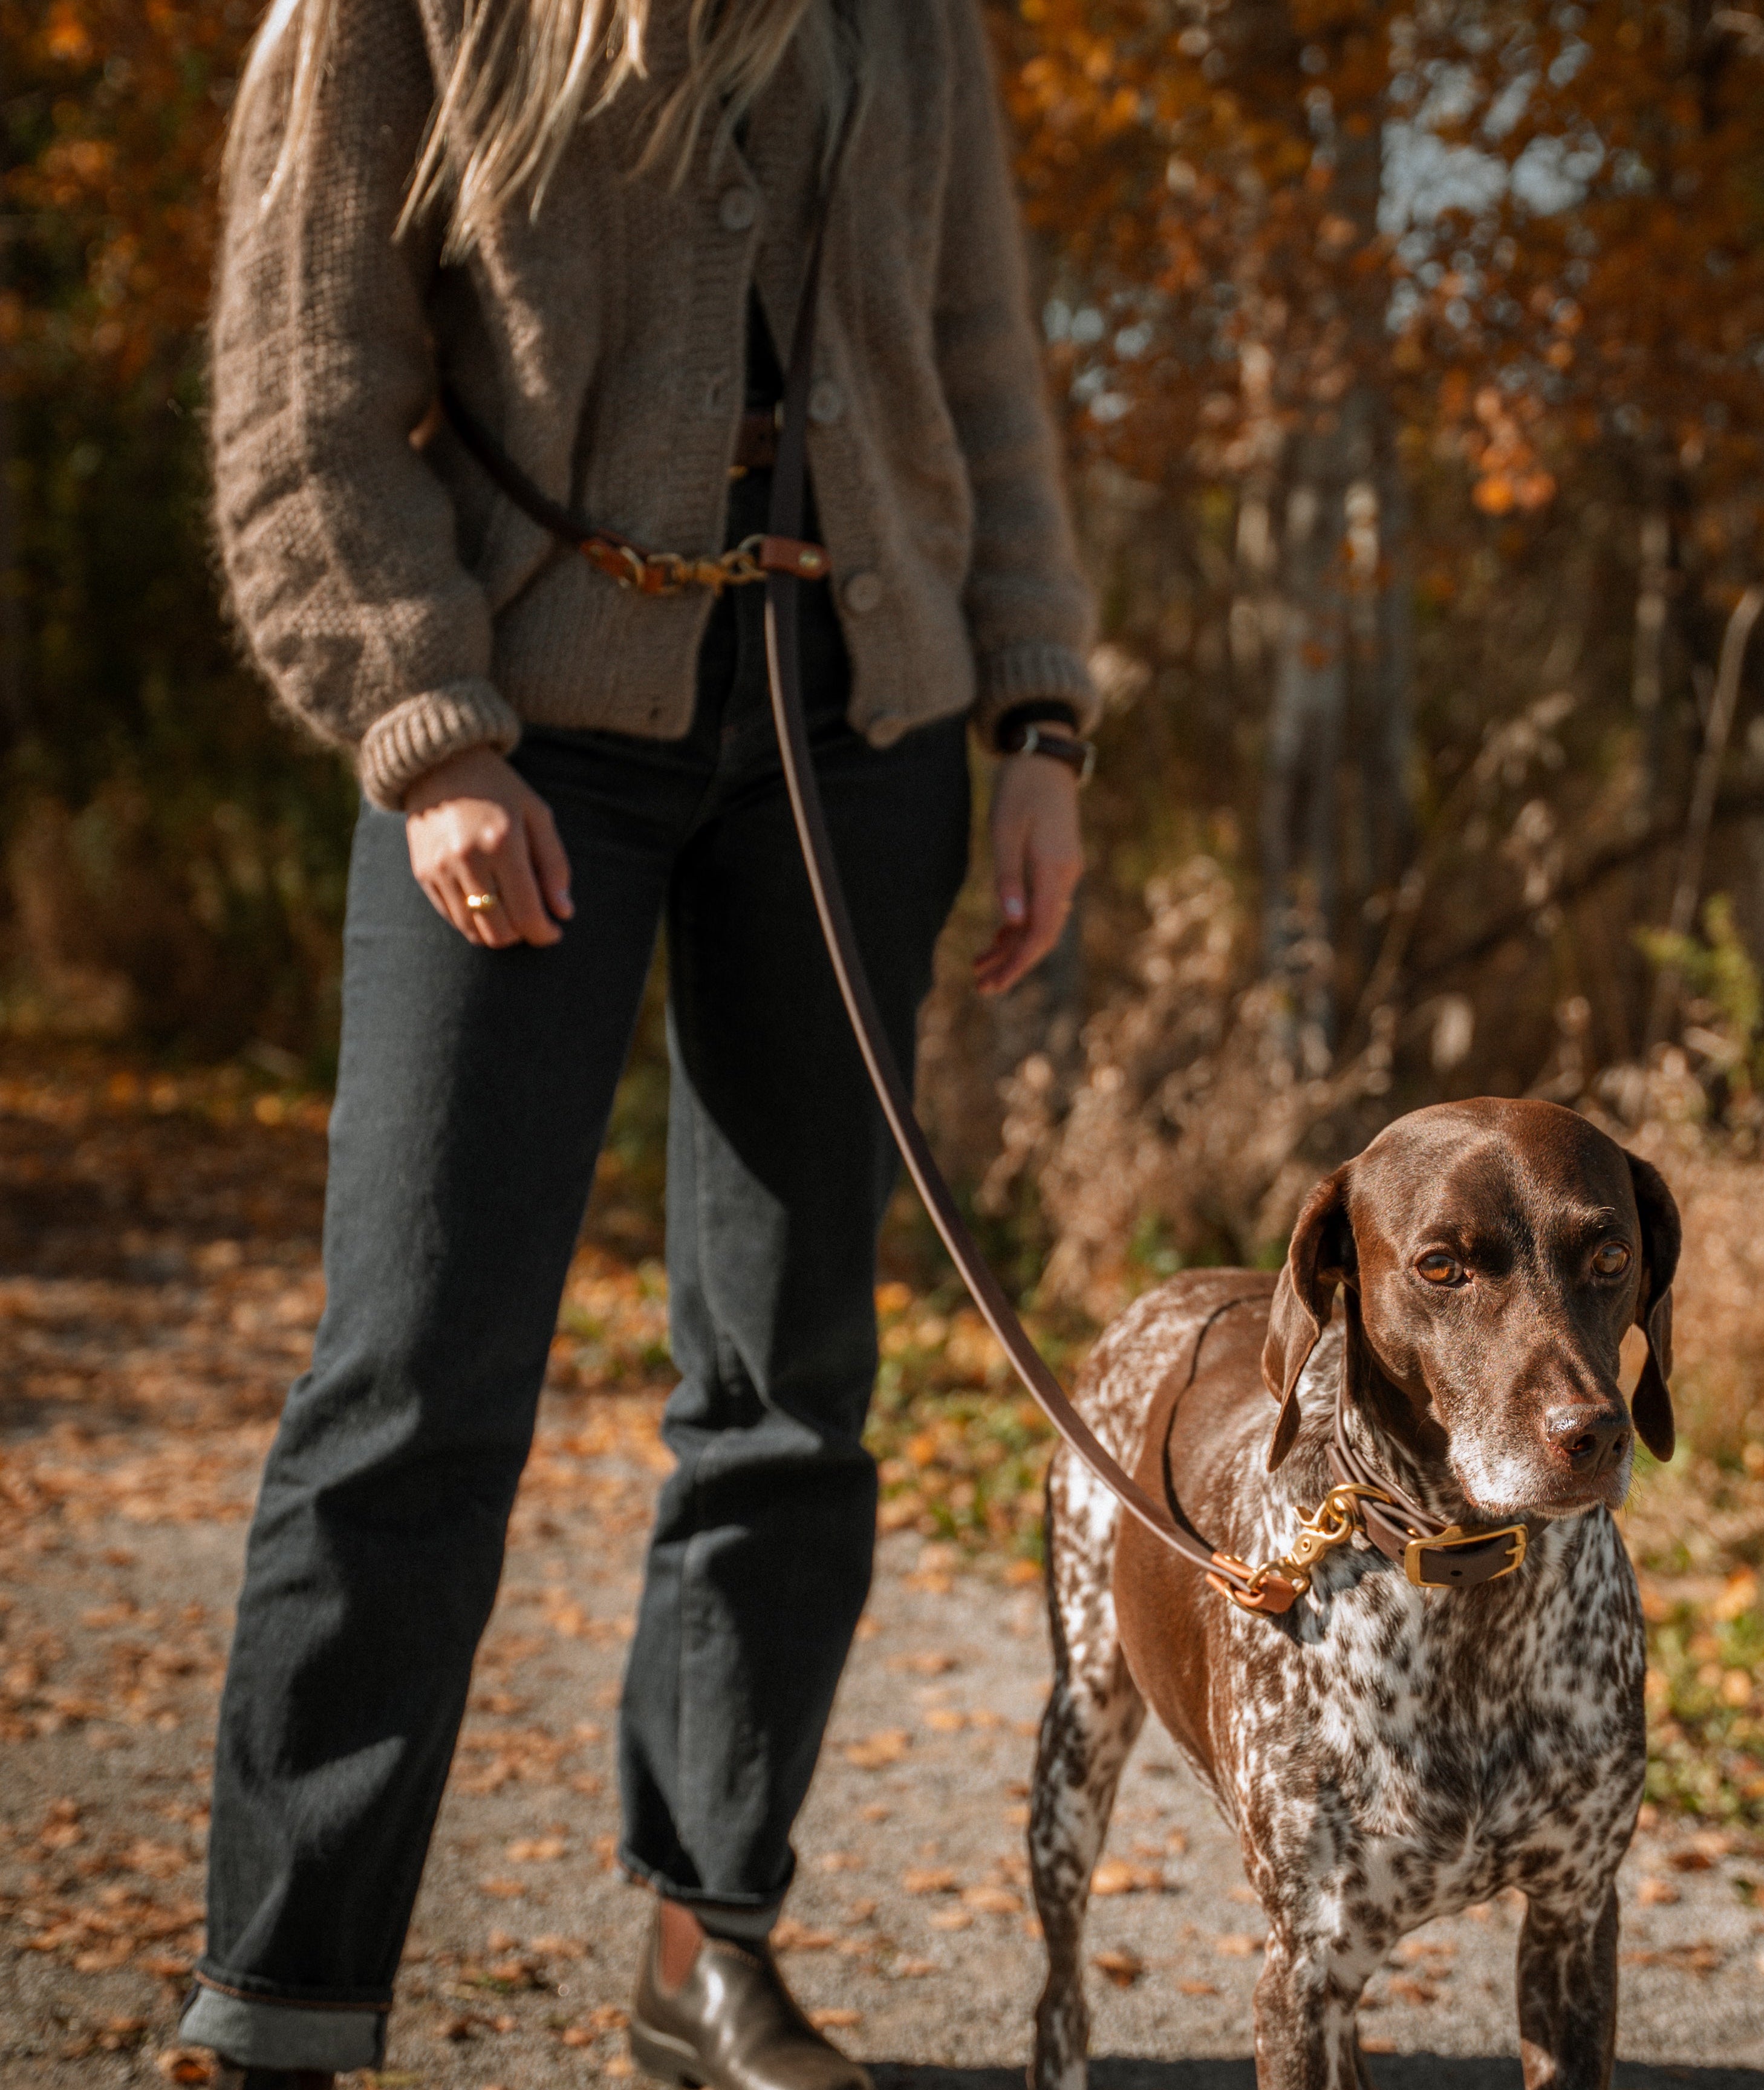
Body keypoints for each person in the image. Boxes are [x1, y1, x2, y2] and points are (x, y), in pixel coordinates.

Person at [181, 2, 1097, 2085]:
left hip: (863, 726)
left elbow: (980, 351)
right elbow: (309, 375)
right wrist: (423, 730)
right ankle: (284, 1996)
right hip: (521, 731)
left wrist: (1035, 710)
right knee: (413, 1375)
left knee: (793, 1381)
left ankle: (710, 1943)